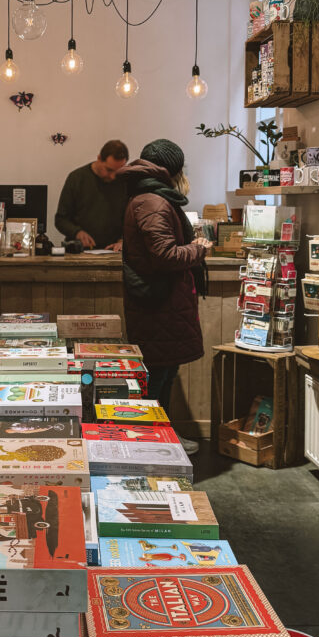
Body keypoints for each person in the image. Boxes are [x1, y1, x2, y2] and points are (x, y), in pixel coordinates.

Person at [119, 139, 211, 454]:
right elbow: (166, 255)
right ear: (172, 171)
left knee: (163, 374)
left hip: (161, 303)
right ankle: (152, 444)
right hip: (158, 304)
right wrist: (199, 248)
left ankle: (163, 437)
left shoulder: (148, 197)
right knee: (157, 378)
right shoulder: (153, 202)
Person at [55, 139, 129, 251]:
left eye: (118, 171)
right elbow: (61, 219)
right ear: (99, 158)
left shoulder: (125, 181)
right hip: (80, 250)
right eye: (109, 170)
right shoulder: (77, 178)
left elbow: (131, 220)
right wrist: (77, 232)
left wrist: (123, 240)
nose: (113, 176)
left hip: (114, 251)